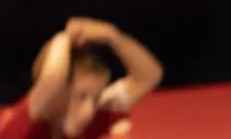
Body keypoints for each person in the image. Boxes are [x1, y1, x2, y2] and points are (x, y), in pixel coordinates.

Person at [0, 18, 163, 138]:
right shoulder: (19, 127)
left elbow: (149, 76)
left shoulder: (98, 113)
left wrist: (111, 35)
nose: (90, 111)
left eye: (95, 98)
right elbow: (53, 77)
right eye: (81, 96)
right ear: (52, 95)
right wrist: (65, 37)